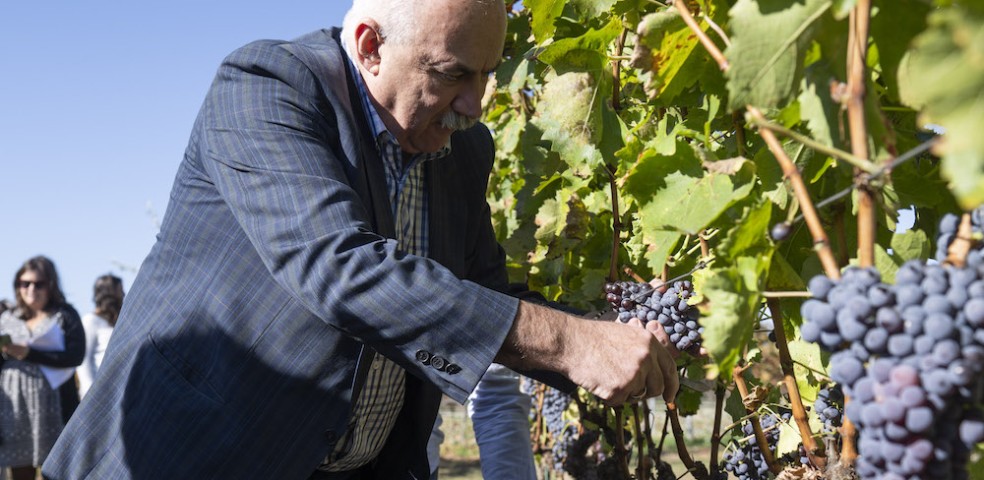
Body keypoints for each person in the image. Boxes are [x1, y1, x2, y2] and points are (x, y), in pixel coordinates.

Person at [43, 1, 679, 478]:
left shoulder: (463, 151)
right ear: (371, 46)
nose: (475, 105)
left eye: (486, 75)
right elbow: (338, 266)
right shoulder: (268, 86)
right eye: (453, 74)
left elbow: (484, 294)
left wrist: (609, 334)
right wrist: (571, 343)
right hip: (191, 454)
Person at [0, 256, 84, 480]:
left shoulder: (64, 315)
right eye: (25, 283)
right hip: (14, 409)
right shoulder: (6, 318)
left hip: (56, 406)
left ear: (51, 285)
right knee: (20, 470)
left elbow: (76, 356)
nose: (31, 289)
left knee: (57, 469)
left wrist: (30, 353)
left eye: (38, 284)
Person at [77, 274, 124, 399]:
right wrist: (90, 393)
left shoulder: (118, 322)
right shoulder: (90, 321)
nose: (124, 294)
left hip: (119, 390)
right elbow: (84, 360)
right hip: (99, 393)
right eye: (120, 291)